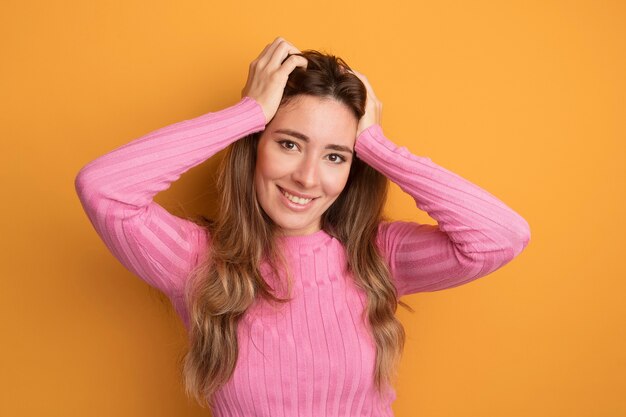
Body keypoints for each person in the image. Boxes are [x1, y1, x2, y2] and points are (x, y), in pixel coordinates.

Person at [75, 37, 531, 417]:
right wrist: (247, 113)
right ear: (254, 146)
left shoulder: (378, 257)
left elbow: (501, 236)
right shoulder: (197, 260)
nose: (308, 177)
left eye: (336, 155)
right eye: (290, 144)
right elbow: (104, 189)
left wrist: (378, 146)